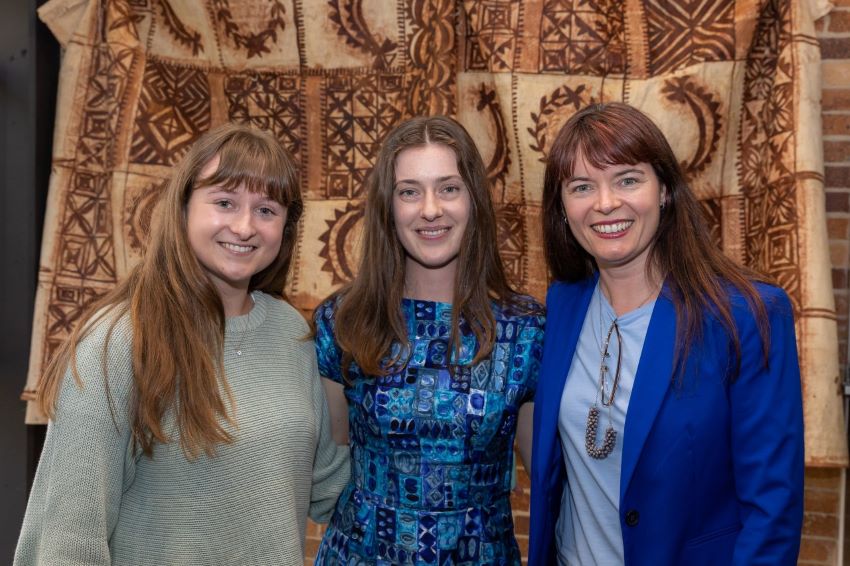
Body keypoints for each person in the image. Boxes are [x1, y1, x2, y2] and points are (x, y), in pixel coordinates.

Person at [15, 123, 349, 565]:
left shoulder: (291, 332)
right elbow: (66, 540)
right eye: (225, 202)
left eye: (266, 210)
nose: (245, 226)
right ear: (184, 207)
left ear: (286, 229)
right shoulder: (118, 341)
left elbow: (331, 490)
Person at [528, 102, 804, 565]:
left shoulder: (746, 315)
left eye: (627, 179)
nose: (605, 203)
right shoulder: (563, 304)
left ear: (664, 191)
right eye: (581, 186)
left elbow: (772, 511)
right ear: (563, 209)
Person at [313, 115, 545, 564]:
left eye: (449, 188)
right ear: (388, 207)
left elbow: (547, 477)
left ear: (474, 199)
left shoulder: (525, 330)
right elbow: (333, 462)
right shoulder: (344, 321)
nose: (431, 209)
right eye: (409, 191)